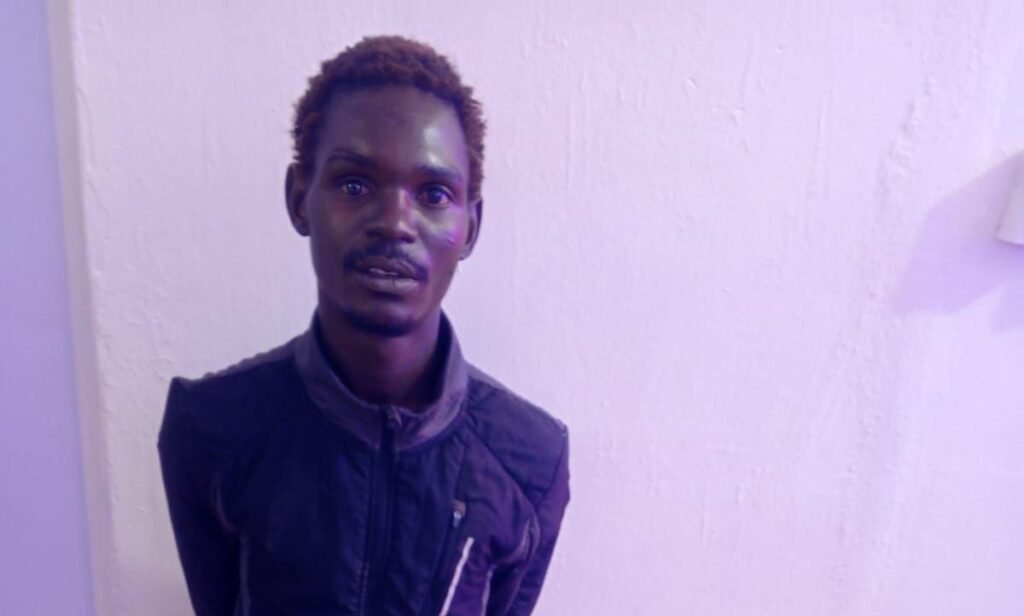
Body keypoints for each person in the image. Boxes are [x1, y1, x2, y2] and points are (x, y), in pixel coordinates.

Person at [157, 35, 570, 615]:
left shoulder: (530, 459)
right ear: (299, 198)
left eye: (433, 194)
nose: (395, 222)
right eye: (354, 184)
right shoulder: (210, 427)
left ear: (470, 228)